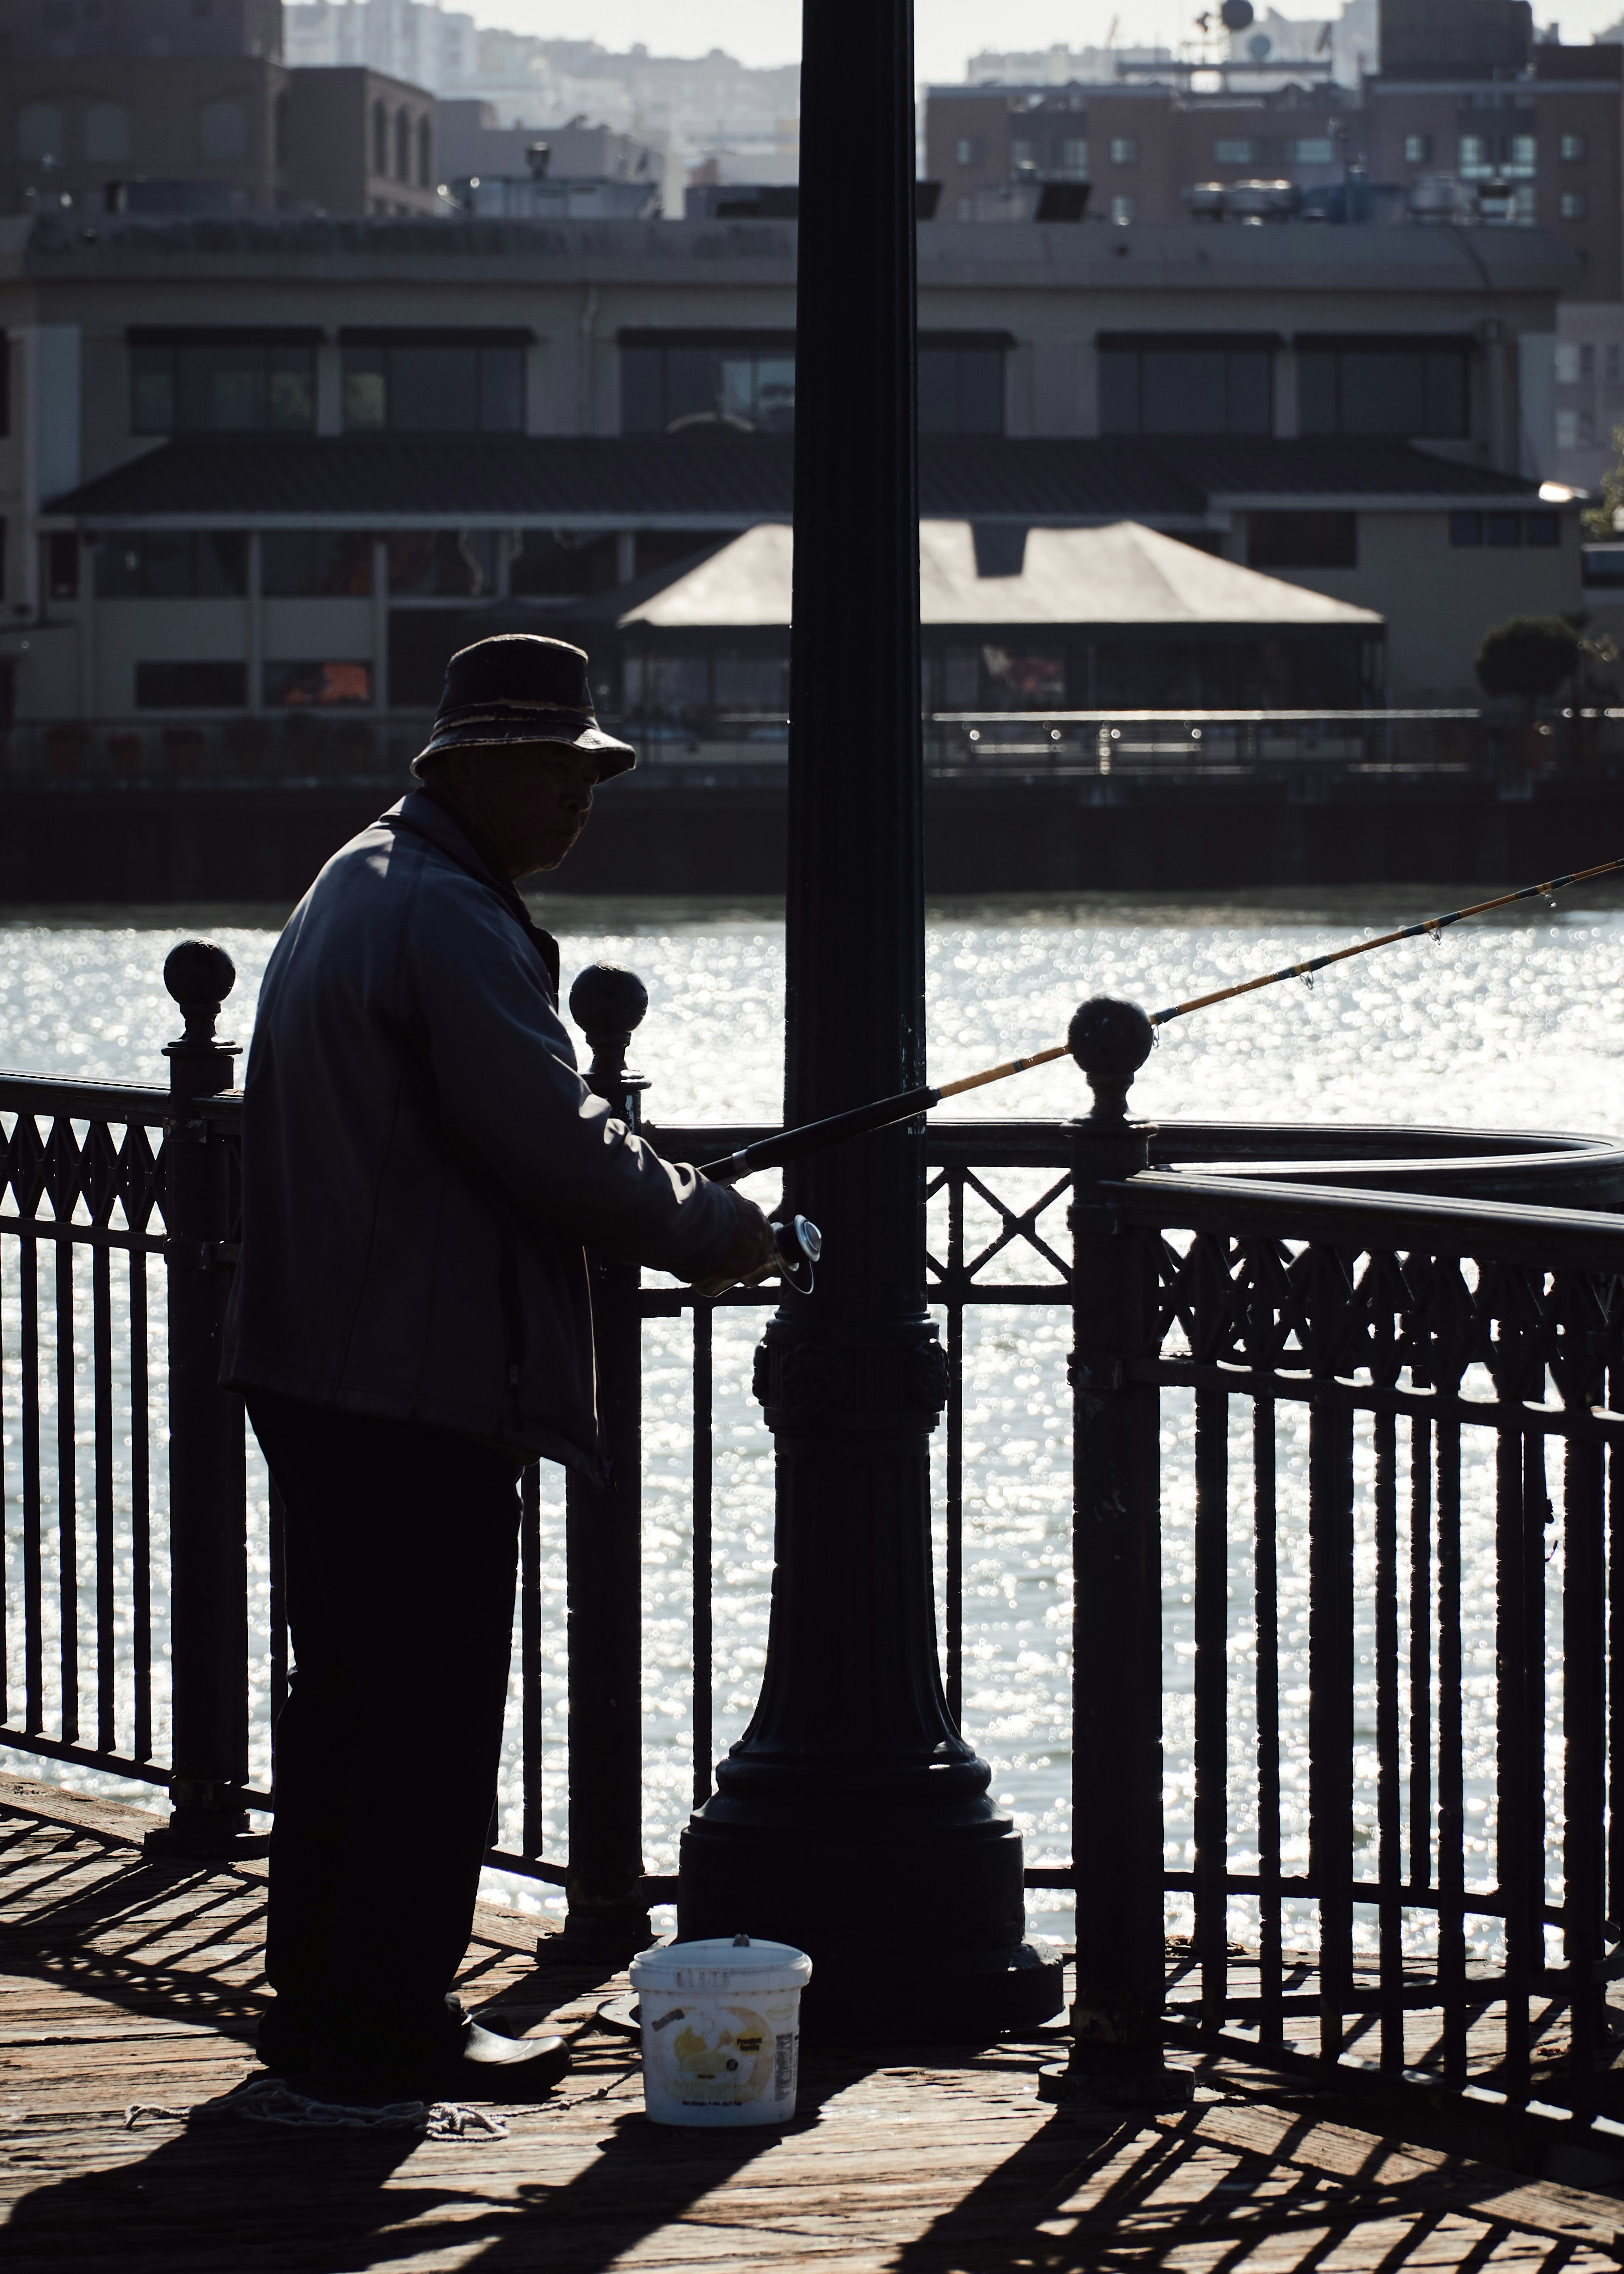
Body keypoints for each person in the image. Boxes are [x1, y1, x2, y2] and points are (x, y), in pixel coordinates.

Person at [222, 635, 773, 2103]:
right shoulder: (453, 919)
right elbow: (546, 1138)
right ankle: (395, 2014)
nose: (581, 801)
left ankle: (322, 1995)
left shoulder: (359, 878)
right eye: (559, 771)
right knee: (431, 1706)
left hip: (317, 1357)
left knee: (343, 1693)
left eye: (590, 774)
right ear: (475, 765)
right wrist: (719, 1227)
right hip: (411, 1372)